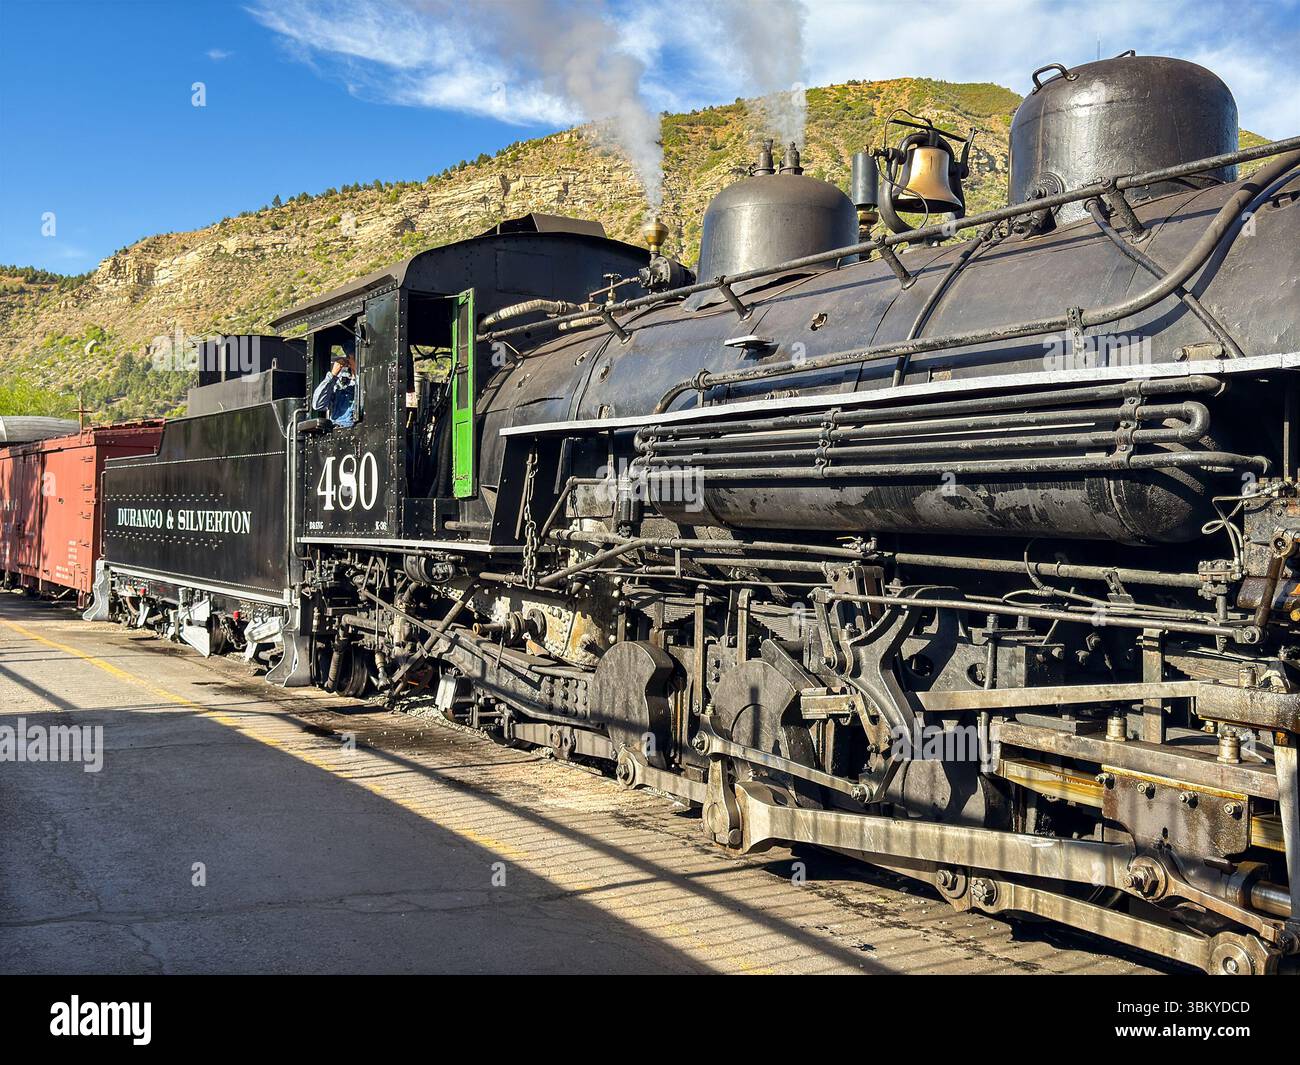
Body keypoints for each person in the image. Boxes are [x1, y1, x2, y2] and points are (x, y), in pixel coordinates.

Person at [312, 351, 357, 427]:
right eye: (349, 358)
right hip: (338, 428)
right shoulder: (339, 385)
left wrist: (356, 370)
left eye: (351, 358)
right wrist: (332, 375)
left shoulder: (367, 382)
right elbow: (318, 405)